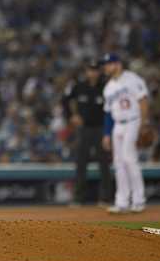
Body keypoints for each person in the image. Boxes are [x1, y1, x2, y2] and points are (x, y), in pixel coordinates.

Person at [100, 53, 150, 214]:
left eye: (109, 63)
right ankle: (122, 202)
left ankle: (138, 201)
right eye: (106, 64)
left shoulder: (132, 79)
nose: (106, 67)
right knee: (118, 163)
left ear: (118, 64)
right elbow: (107, 113)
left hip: (133, 121)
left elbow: (143, 101)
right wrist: (107, 134)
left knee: (129, 159)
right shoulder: (108, 87)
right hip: (117, 125)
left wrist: (143, 124)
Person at [64, 59, 112, 206]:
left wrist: (108, 131)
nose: (93, 73)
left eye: (95, 70)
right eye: (90, 70)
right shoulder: (79, 87)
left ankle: (105, 198)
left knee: (104, 163)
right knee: (80, 163)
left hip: (100, 129)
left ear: (99, 71)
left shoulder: (106, 87)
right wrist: (72, 116)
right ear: (86, 72)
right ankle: (78, 198)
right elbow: (66, 101)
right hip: (83, 129)